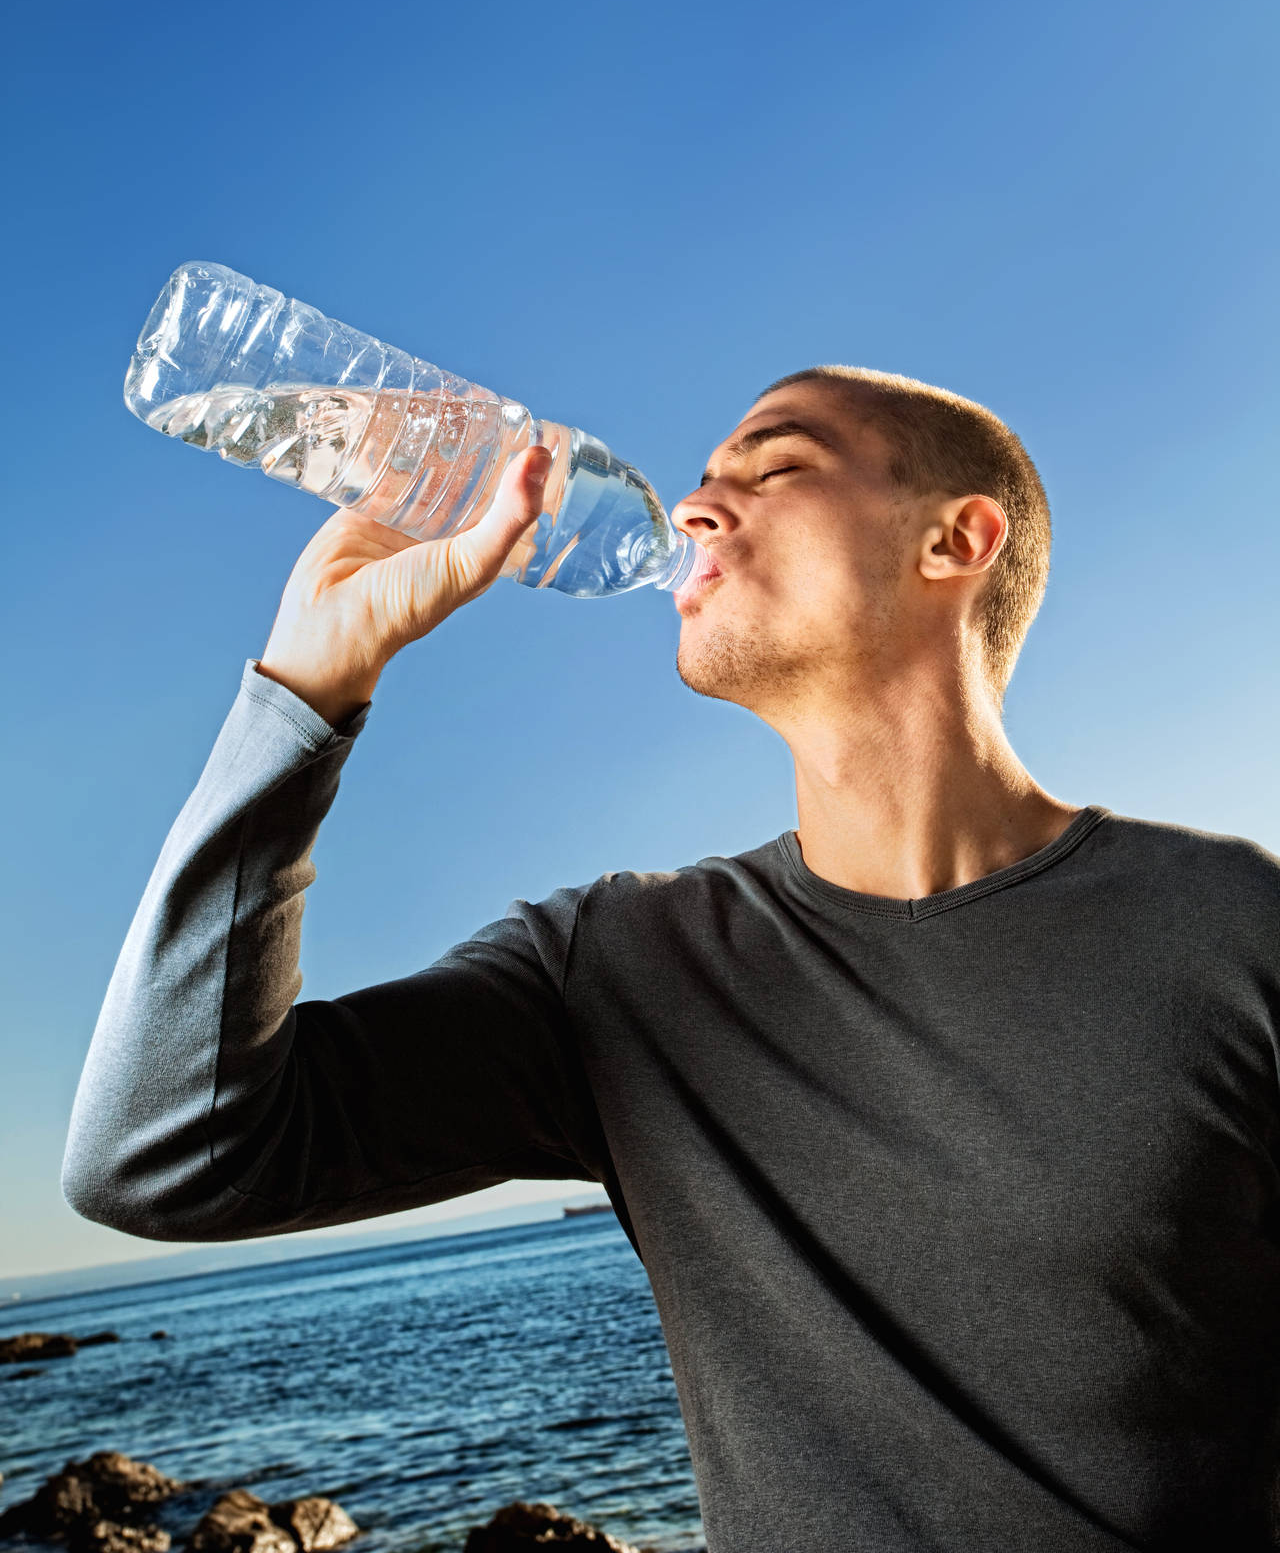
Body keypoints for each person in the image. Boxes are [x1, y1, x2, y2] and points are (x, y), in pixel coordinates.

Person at [63, 365, 1280, 1552]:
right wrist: (305, 689)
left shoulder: (1231, 923)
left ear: (953, 542)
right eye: (699, 477)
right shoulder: (620, 972)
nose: (694, 506)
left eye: (776, 465)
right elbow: (159, 1157)